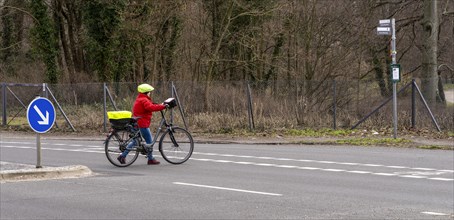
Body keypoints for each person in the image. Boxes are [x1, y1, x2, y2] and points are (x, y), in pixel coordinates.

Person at [117, 83, 166, 165]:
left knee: (135, 141)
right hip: (142, 123)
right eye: (149, 92)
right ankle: (150, 159)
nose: (150, 93)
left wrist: (159, 105)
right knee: (149, 141)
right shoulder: (144, 100)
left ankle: (122, 156)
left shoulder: (140, 99)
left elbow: (150, 105)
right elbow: (150, 107)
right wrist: (163, 107)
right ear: (146, 92)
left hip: (137, 122)